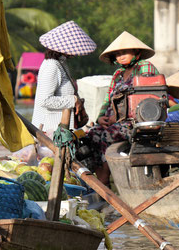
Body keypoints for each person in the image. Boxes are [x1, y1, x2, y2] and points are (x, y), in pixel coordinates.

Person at [87, 31, 159, 185]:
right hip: (114, 123)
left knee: (106, 136)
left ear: (136, 52)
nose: (121, 56)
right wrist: (100, 117)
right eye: (118, 54)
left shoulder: (145, 67)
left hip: (135, 124)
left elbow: (148, 100)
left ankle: (103, 182)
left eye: (125, 52)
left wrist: (120, 118)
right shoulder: (118, 74)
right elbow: (107, 100)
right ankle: (101, 183)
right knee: (92, 134)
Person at [32, 21, 97, 134]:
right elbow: (44, 100)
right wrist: (73, 100)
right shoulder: (51, 66)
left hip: (63, 128)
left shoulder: (61, 63)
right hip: (49, 130)